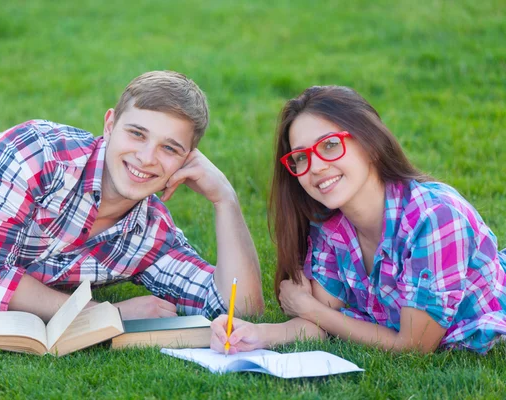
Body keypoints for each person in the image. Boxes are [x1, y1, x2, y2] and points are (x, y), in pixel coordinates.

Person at [0, 70, 264, 322]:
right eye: (137, 134)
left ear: (188, 160)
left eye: (169, 148)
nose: (147, 157)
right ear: (109, 124)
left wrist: (225, 200)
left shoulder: (147, 236)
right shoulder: (39, 152)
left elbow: (239, 308)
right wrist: (107, 314)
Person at [211, 85, 506, 354]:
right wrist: (257, 333)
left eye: (329, 145)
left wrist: (310, 308)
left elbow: (415, 346)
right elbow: (318, 323)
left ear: (370, 144)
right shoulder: (333, 227)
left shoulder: (436, 218)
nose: (315, 167)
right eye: (301, 157)